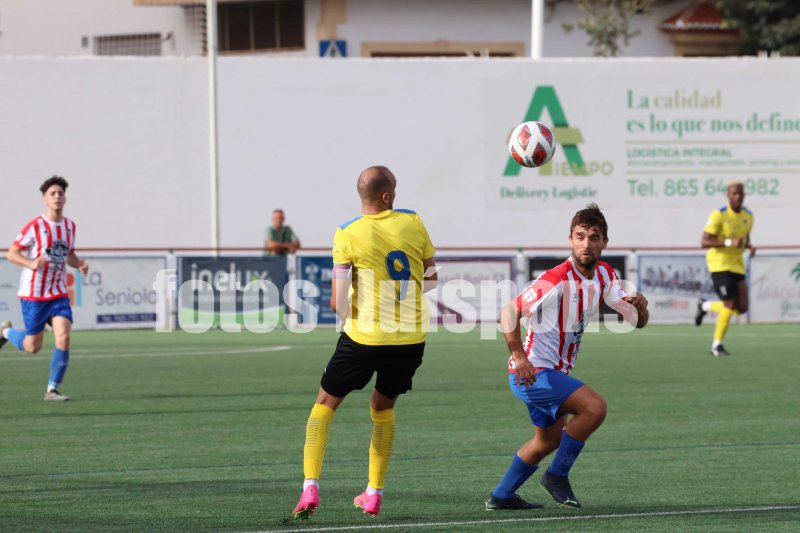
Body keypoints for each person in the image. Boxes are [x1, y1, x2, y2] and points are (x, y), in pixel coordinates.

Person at [292, 165, 437, 520]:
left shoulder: (347, 233)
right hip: (410, 339)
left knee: (324, 404)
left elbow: (336, 302)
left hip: (365, 337)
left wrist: (348, 310)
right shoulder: (413, 221)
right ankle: (373, 492)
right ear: (387, 196)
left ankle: (310, 484)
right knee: (383, 408)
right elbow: (431, 280)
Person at [486, 203, 648, 511]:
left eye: (594, 237)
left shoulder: (604, 274)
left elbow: (636, 322)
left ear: (604, 243)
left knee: (548, 440)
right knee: (594, 407)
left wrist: (640, 308)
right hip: (532, 372)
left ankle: (502, 495)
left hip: (552, 374)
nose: (587, 244)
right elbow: (509, 311)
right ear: (570, 240)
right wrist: (518, 356)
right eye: (580, 236)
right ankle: (556, 475)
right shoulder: (556, 278)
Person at [0, 176, 89, 401]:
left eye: (60, 193)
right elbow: (12, 253)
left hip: (58, 293)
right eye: (53, 194)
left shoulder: (70, 226)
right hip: (34, 295)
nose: (57, 196)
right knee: (33, 346)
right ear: (45, 200)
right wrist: (31, 263)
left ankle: (52, 389)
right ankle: (5, 332)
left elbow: (68, 254)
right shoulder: (35, 226)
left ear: (65, 198)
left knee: (64, 337)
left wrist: (78, 264)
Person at [694, 181, 755, 356]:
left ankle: (704, 305)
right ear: (728, 195)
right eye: (734, 193)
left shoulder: (748, 217)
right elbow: (704, 242)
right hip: (719, 263)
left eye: (740, 193)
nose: (738, 196)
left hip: (737, 264)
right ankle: (716, 345)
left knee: (742, 307)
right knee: (729, 303)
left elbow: (744, 239)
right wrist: (728, 242)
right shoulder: (719, 215)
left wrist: (749, 246)